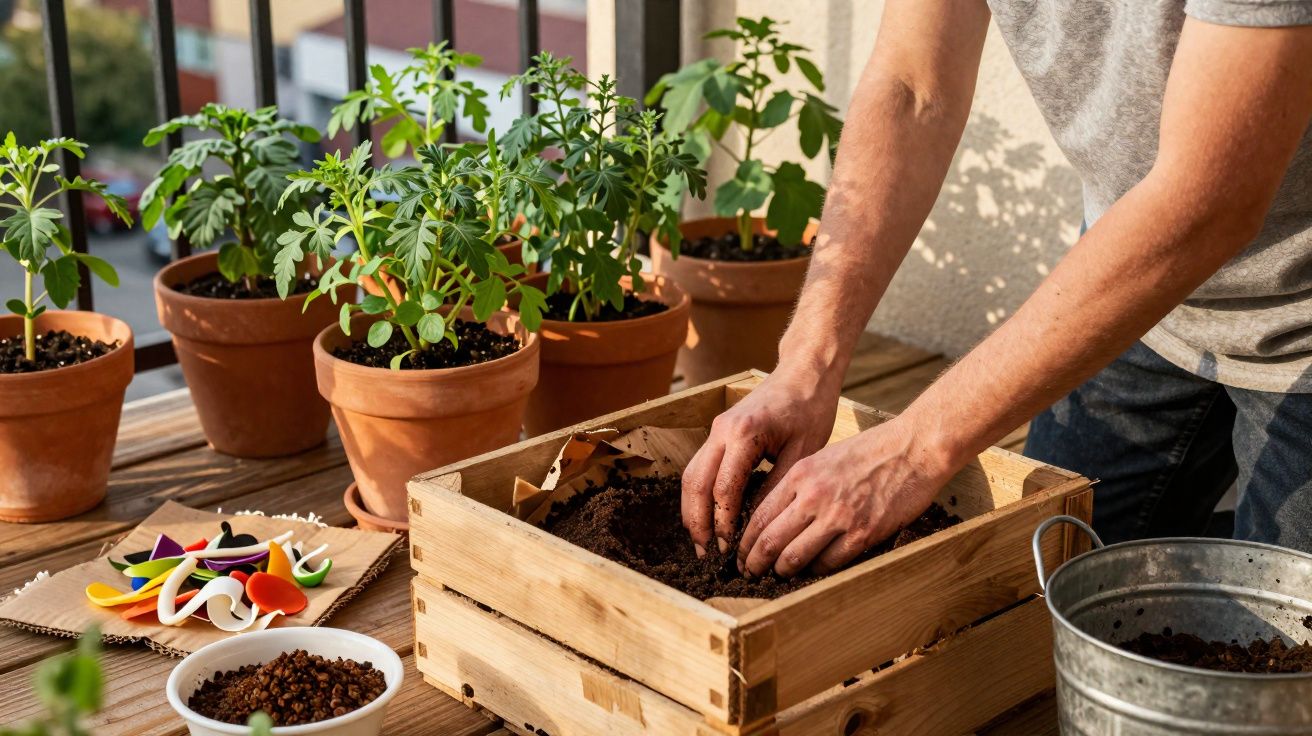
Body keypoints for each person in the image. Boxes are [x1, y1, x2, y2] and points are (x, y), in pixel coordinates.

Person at [681, 0, 1312, 576]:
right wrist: (806, 364)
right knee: (1036, 591)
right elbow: (912, 86)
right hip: (1138, 289)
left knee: (1277, 668)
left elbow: (1210, 202)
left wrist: (911, 449)